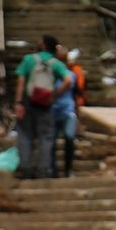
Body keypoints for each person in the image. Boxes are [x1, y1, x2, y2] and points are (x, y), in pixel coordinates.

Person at [13, 35, 73, 179]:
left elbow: (21, 80)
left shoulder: (29, 59)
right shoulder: (56, 64)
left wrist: (18, 102)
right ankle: (44, 171)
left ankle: (26, 170)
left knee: (25, 136)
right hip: (46, 104)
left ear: (44, 45)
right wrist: (55, 95)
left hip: (28, 102)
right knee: (45, 138)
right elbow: (68, 80)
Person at [50, 45, 87, 178]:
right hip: (52, 112)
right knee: (51, 141)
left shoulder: (72, 75)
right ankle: (52, 170)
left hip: (68, 111)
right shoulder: (50, 76)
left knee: (69, 137)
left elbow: (77, 96)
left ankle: (68, 169)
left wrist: (78, 116)